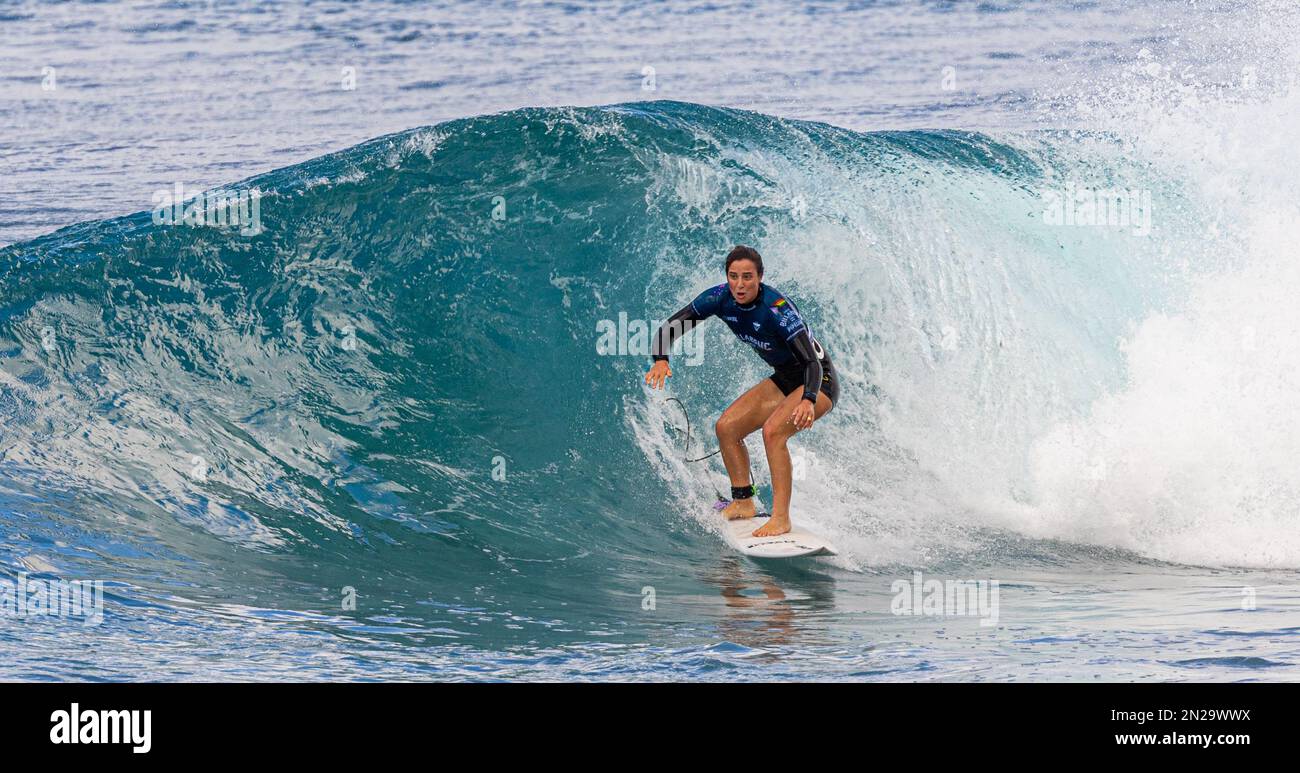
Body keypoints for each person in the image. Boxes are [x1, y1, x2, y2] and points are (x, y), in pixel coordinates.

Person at [645, 245, 839, 537]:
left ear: (760, 277)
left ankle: (780, 518)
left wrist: (809, 400)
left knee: (773, 433)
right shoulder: (718, 298)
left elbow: (812, 362)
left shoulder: (777, 310)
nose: (740, 284)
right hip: (786, 378)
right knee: (727, 427)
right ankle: (743, 502)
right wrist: (660, 359)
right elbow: (671, 326)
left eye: (747, 277)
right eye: (733, 276)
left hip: (818, 380)